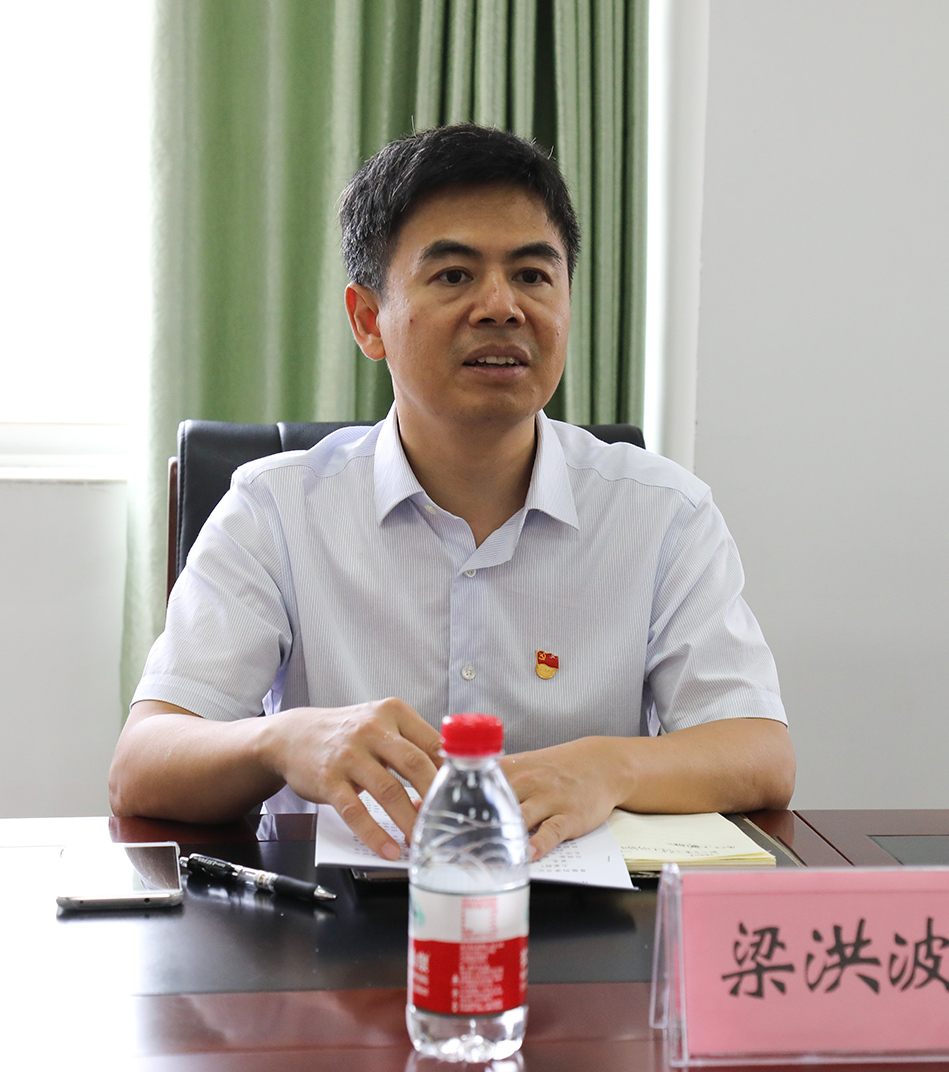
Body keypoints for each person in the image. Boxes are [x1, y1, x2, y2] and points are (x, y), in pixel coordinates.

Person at [109, 124, 794, 862]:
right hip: (335, 918)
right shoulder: (275, 511)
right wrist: (282, 739)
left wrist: (610, 766)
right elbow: (142, 766)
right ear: (369, 321)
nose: (501, 307)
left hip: (584, 919)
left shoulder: (662, 513)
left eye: (533, 275)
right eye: (454, 276)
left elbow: (760, 754)